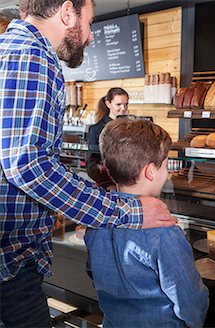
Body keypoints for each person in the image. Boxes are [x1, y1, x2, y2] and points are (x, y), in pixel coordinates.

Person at [0, 1, 176, 327]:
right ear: (68, 12)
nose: (91, 36)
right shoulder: (32, 57)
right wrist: (128, 211)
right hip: (9, 264)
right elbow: (27, 164)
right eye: (89, 22)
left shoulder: (10, 49)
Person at [85, 116, 209, 327]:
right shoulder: (163, 231)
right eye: (165, 166)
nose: (167, 172)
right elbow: (189, 301)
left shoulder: (97, 221)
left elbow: (92, 271)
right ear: (151, 172)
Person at [87, 87, 129, 189]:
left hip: (128, 183)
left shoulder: (130, 127)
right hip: (107, 186)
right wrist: (107, 185)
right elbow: (91, 165)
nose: (123, 108)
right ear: (108, 103)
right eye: (118, 104)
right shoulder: (96, 129)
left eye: (126, 104)